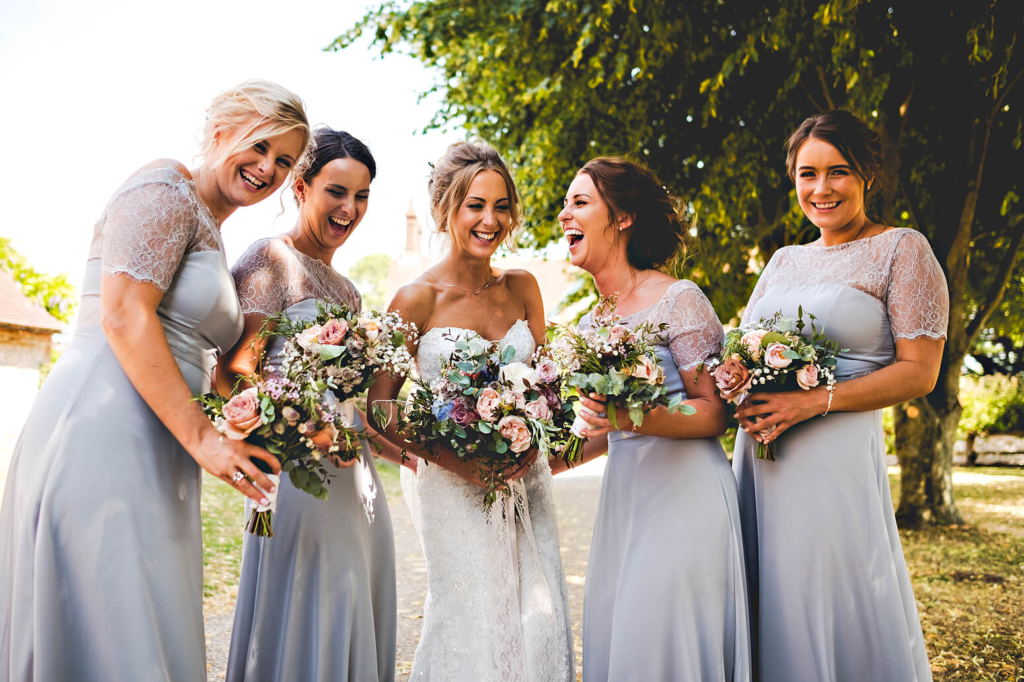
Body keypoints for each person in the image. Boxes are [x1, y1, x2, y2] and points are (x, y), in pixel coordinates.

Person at [0, 79, 309, 682]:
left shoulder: (216, 233)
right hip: (102, 422)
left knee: (145, 613)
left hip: (160, 437)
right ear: (221, 131)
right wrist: (205, 440)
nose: (268, 167)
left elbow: (194, 350)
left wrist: (237, 407)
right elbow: (124, 313)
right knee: (112, 616)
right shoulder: (164, 185)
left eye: (284, 160)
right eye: (260, 145)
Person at [732, 109, 946, 682]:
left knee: (827, 589)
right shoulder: (783, 260)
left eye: (838, 172)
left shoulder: (902, 249)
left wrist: (811, 401)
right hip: (759, 456)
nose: (820, 189)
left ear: (867, 175)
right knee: (766, 584)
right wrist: (734, 376)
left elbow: (920, 372)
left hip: (835, 459)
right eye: (807, 174)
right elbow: (743, 344)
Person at [367, 141, 574, 681]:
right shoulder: (415, 299)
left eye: (501, 205)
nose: (490, 220)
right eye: (474, 206)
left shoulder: (524, 287)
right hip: (454, 487)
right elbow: (380, 408)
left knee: (539, 616)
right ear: (445, 210)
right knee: (473, 616)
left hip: (528, 482)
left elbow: (546, 386)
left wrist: (533, 438)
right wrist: (454, 461)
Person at [558, 157, 751, 682]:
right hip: (627, 502)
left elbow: (713, 411)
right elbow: (604, 432)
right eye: (566, 203)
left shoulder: (678, 299)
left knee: (663, 639)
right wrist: (528, 460)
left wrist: (630, 415)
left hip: (685, 499)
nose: (564, 215)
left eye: (579, 202)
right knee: (626, 639)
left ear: (621, 217)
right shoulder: (589, 323)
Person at [221, 127, 402, 682]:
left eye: (363, 195)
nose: (350, 208)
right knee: (313, 598)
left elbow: (363, 399)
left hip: (353, 470)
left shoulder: (348, 292)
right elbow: (235, 373)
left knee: (360, 588)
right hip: (296, 472)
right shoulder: (269, 259)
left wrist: (406, 443)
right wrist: (307, 429)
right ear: (300, 187)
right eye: (337, 191)